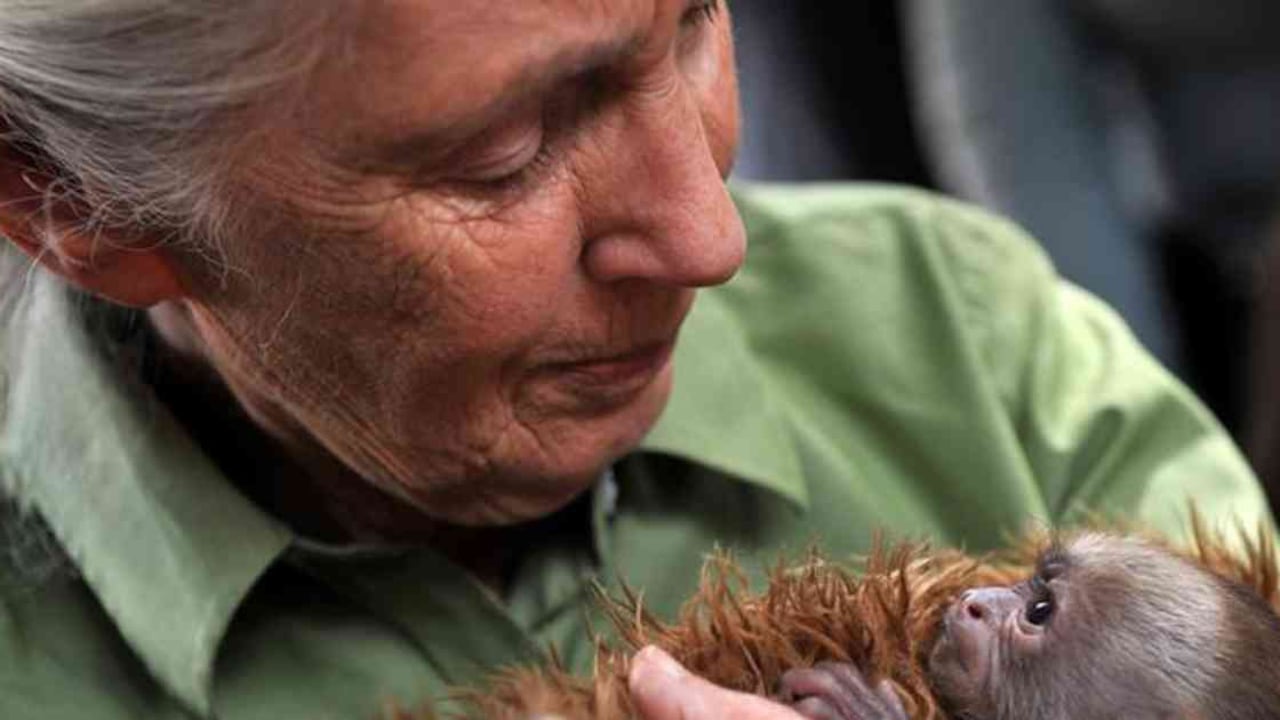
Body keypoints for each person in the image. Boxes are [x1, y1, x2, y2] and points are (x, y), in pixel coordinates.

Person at [0, 2, 1268, 719]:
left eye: (696, 19)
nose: (710, 236)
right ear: (81, 211)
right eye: (504, 155)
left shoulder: (970, 343)